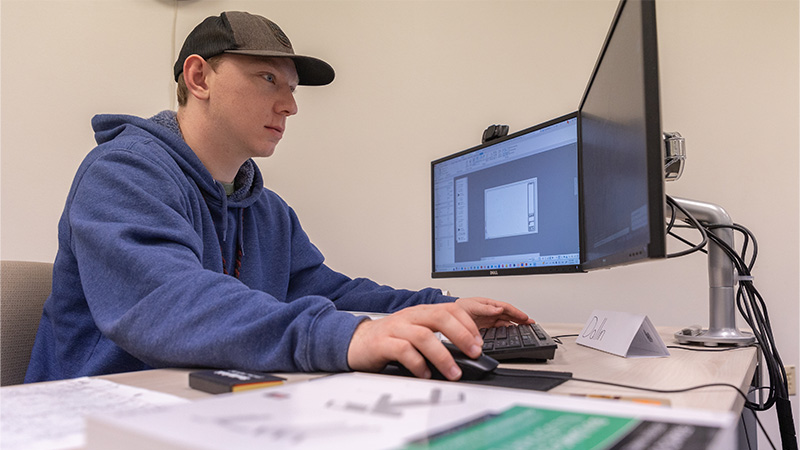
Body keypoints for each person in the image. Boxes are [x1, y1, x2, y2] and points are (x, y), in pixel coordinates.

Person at [25, 11, 531, 384]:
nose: (289, 106)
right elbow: (167, 301)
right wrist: (344, 337)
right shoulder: (123, 173)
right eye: (268, 78)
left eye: (292, 89)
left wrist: (442, 307)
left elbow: (329, 293)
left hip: (199, 408)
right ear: (198, 77)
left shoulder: (266, 211)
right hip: (91, 420)